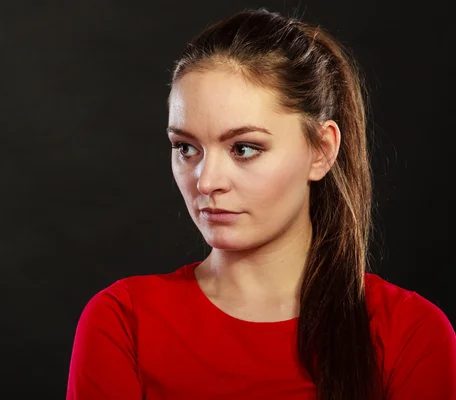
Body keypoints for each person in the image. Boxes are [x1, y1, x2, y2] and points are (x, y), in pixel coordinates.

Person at [65, 8, 456, 400]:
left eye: (244, 148)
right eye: (186, 147)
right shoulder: (123, 322)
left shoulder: (409, 334)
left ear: (321, 151)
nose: (207, 180)